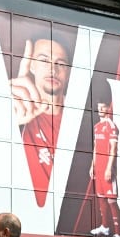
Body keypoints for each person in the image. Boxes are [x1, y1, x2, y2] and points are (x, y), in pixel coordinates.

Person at [10, 37, 72, 207]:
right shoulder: (14, 112)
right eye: (44, 60)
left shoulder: (83, 121)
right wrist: (5, 121)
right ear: (31, 66)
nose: (53, 69)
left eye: (60, 63)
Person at [89, 100, 120, 237]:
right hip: (99, 168)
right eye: (98, 107)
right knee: (101, 198)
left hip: (108, 168)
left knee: (111, 200)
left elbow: (114, 148)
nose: (100, 109)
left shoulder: (111, 126)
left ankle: (118, 233)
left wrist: (109, 168)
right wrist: (93, 166)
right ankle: (105, 227)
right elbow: (96, 147)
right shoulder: (97, 126)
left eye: (103, 107)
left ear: (108, 108)